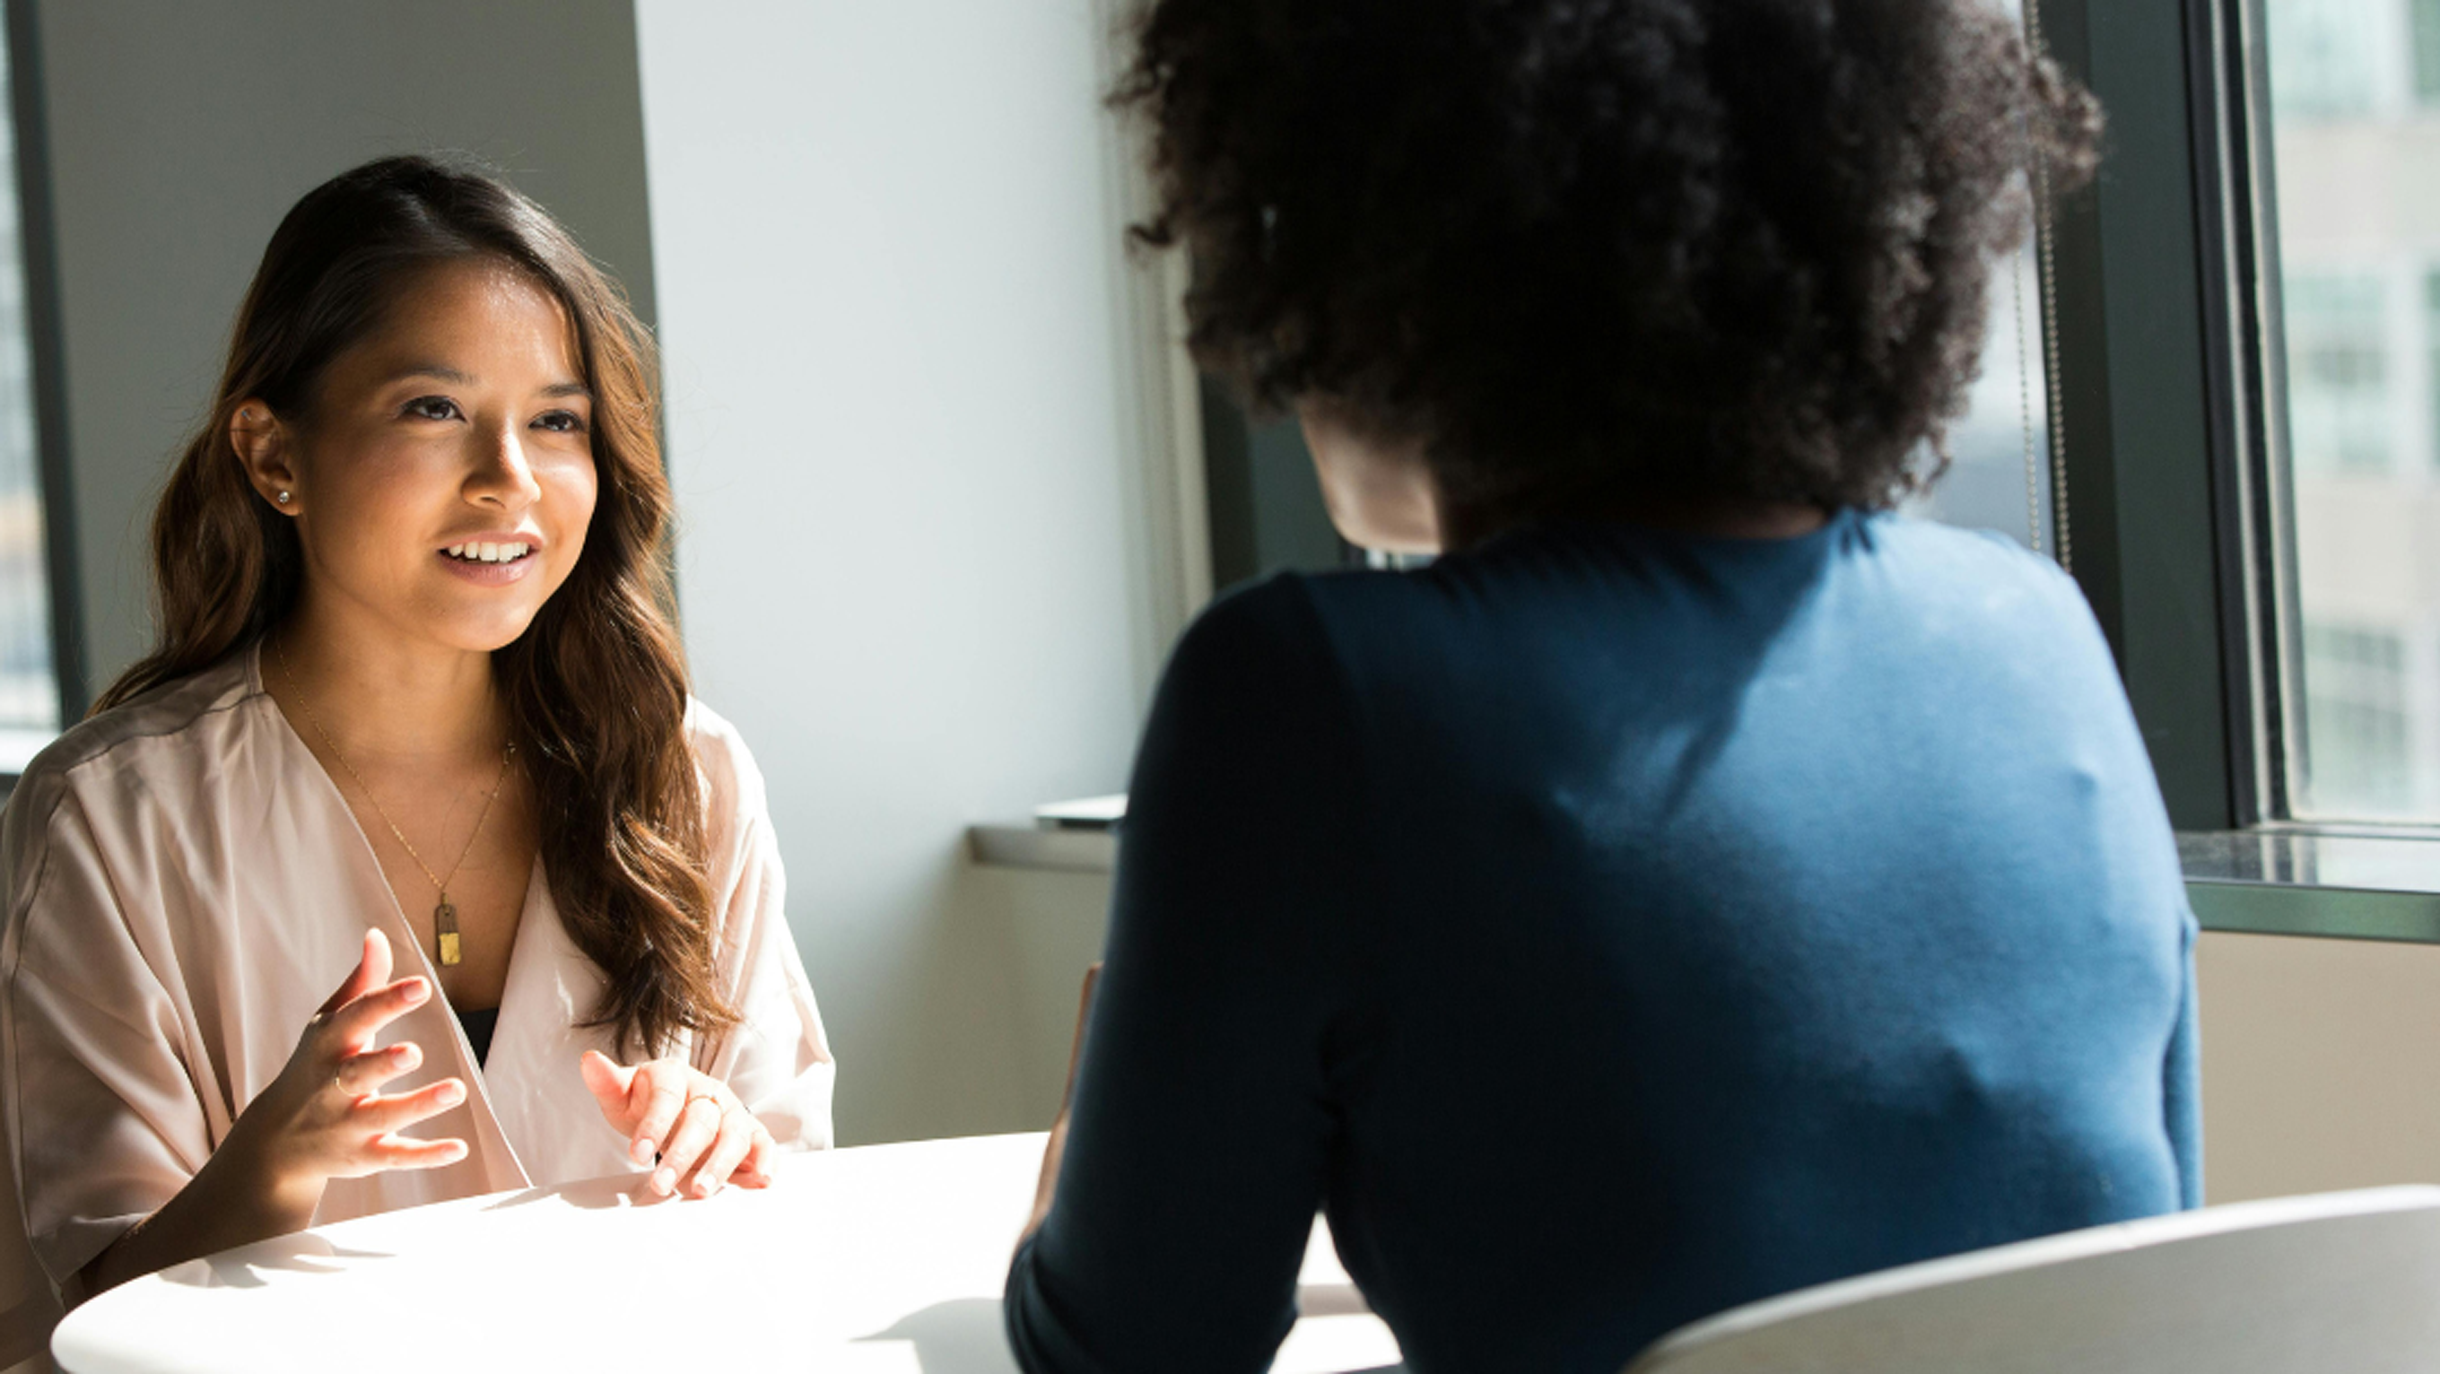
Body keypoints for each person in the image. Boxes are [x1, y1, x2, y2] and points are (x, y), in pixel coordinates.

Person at [1006, 2, 2193, 1371]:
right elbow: (2156, 1278)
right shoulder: (2040, 639)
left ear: (1377, 242)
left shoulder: (1309, 693)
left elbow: (1132, 1352)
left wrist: (1082, 1187)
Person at [0, 156, 832, 1354]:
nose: (510, 482)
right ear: (273, 455)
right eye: (432, 410)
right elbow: (81, 1327)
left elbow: (797, 1220)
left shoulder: (687, 774)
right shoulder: (107, 818)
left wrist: (728, 1147)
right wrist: (270, 1173)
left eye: (557, 422)